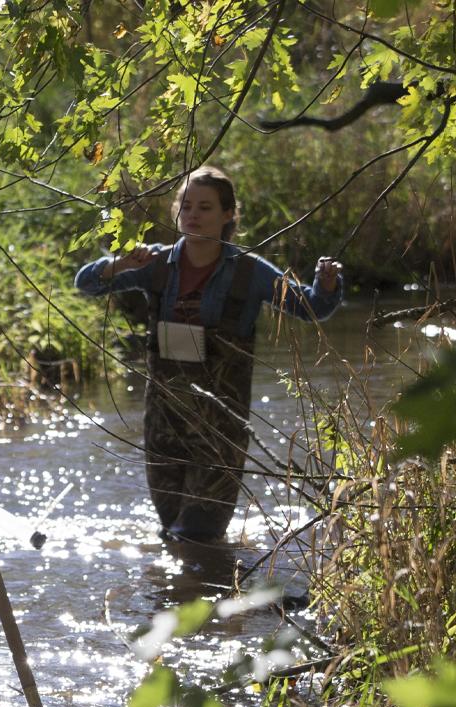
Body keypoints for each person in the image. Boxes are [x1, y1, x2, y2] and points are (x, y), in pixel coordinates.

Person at [74, 166, 344, 543]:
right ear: (175, 212)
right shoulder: (153, 264)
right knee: (171, 531)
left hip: (221, 432)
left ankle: (208, 594)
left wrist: (327, 283)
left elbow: (311, 307)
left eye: (205, 207)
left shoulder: (250, 274)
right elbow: (85, 284)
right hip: (163, 425)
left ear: (228, 214)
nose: (193, 215)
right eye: (186, 206)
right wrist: (120, 263)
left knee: (196, 533)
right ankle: (178, 597)